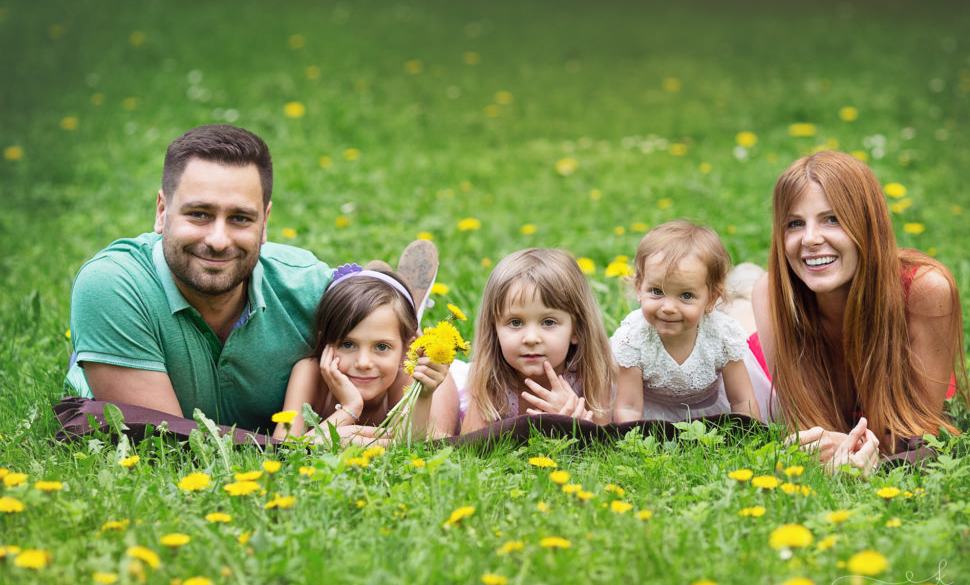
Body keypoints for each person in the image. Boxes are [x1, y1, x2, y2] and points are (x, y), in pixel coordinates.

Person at [66, 124, 454, 434]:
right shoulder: (114, 286)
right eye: (199, 214)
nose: (218, 240)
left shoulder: (305, 287)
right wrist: (312, 450)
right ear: (162, 211)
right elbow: (172, 445)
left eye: (240, 218)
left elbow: (419, 367)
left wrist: (422, 426)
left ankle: (391, 289)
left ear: (265, 222)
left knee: (378, 313)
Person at [749, 151, 968, 474]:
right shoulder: (771, 295)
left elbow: (920, 432)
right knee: (737, 308)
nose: (810, 239)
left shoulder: (925, 290)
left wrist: (854, 451)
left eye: (832, 219)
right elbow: (808, 433)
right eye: (795, 223)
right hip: (756, 355)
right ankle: (738, 284)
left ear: (868, 223)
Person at [273, 264, 458, 444]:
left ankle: (415, 331)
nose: (363, 363)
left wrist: (424, 396)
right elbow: (283, 447)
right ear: (324, 343)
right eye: (347, 344)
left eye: (382, 347)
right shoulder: (309, 373)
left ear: (406, 352)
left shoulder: (417, 378)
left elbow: (420, 448)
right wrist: (349, 409)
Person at [611, 221, 770, 422]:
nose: (668, 307)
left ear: (712, 299)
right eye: (657, 292)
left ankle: (745, 289)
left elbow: (741, 401)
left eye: (686, 295)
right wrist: (633, 447)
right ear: (639, 288)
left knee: (745, 315)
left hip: (711, 412)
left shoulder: (722, 335)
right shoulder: (633, 339)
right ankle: (743, 287)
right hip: (652, 415)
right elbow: (630, 407)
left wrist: (749, 437)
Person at [459, 248, 617, 434]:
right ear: (495, 329)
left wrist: (579, 427)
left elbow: (602, 448)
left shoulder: (592, 374)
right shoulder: (490, 377)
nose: (531, 338)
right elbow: (470, 447)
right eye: (515, 322)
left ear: (577, 329)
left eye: (548, 322)